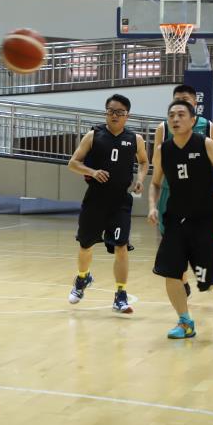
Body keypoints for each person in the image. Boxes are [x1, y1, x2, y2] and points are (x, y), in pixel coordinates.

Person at [148, 100, 213, 339]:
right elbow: (155, 183)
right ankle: (185, 322)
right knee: (171, 272)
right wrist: (152, 207)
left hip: (205, 220)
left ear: (192, 120)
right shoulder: (163, 150)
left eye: (181, 115)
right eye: (171, 115)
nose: (175, 119)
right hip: (175, 220)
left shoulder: (206, 144)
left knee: (207, 279)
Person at [66, 94, 149, 314]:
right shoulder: (93, 135)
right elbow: (73, 163)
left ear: (127, 115)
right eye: (111, 111)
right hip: (95, 199)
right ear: (106, 113)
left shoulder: (135, 139)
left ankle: (120, 295)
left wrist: (140, 179)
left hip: (120, 201)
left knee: (121, 246)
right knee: (86, 245)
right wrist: (92, 172)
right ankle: (83, 278)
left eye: (120, 112)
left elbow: (144, 161)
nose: (115, 115)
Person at [152, 84, 213, 295]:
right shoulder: (163, 128)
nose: (180, 103)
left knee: (206, 273)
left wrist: (203, 168)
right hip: (171, 193)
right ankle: (181, 282)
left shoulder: (207, 127)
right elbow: (157, 163)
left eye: (185, 100)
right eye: (176, 99)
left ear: (195, 103)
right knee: (172, 246)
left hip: (199, 199)